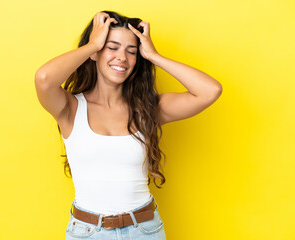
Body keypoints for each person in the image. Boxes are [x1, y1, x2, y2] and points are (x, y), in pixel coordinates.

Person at [34, 10, 222, 240]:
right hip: (88, 232)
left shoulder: (147, 109)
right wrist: (93, 45)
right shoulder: (70, 109)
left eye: (131, 51)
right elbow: (44, 79)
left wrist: (154, 56)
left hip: (145, 230)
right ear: (96, 52)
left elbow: (209, 91)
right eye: (112, 47)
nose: (122, 57)